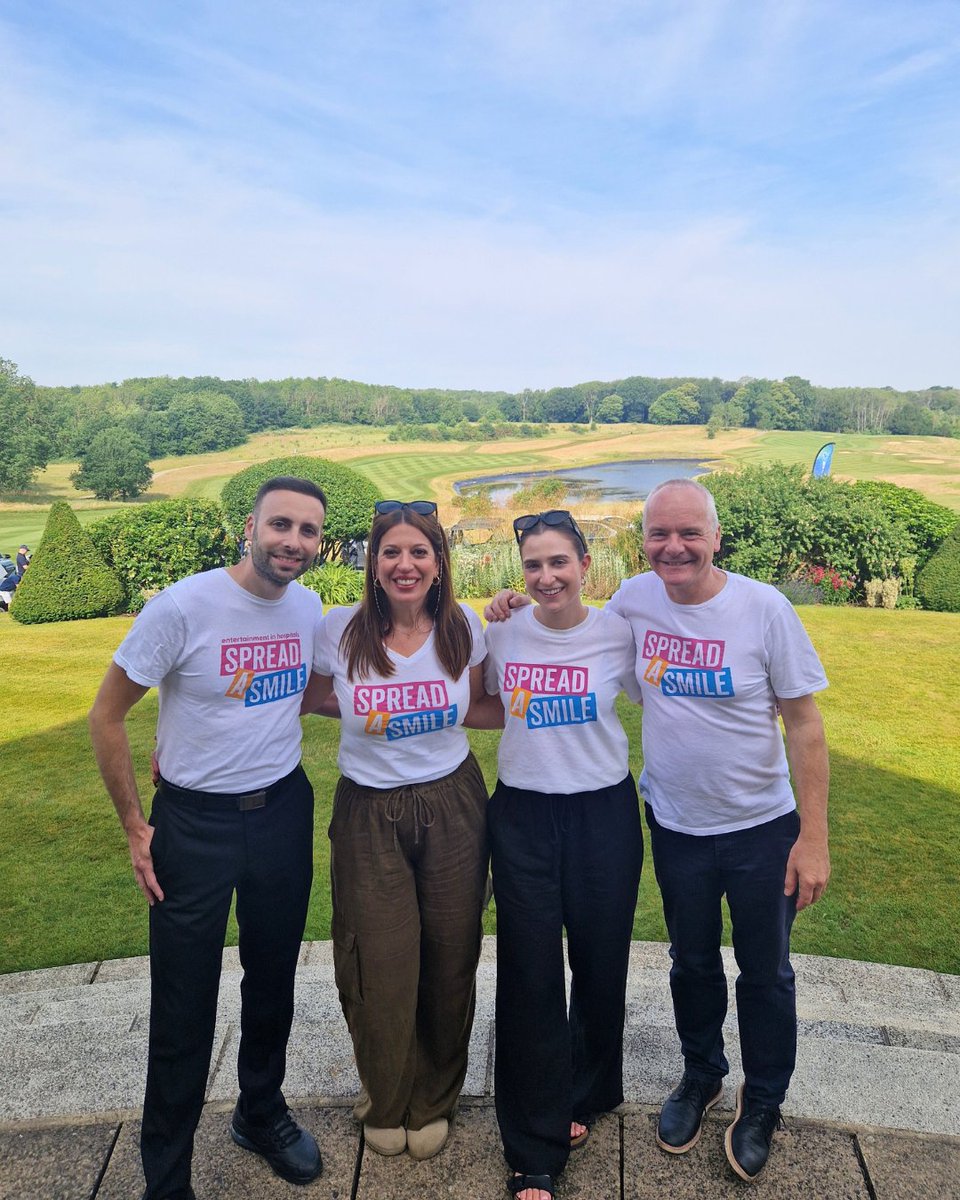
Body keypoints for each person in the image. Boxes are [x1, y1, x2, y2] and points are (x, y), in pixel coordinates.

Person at [487, 479, 830, 1184]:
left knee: (766, 972)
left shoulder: (763, 609)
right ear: (641, 542)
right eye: (659, 535)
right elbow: (565, 638)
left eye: (689, 533)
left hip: (761, 825)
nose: (674, 547)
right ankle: (700, 1075)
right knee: (692, 962)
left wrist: (814, 836)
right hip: (673, 820)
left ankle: (761, 1101)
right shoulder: (634, 604)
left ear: (715, 535)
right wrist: (516, 604)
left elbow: (805, 724)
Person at [88, 476, 329, 1200]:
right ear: (248, 527)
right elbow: (106, 716)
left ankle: (261, 1113)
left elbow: (306, 692)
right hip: (193, 825)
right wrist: (136, 826)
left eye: (308, 531)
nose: (292, 541)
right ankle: (167, 1176)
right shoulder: (183, 606)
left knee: (273, 979)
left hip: (282, 811)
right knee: (183, 1004)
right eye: (280, 524)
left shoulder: (310, 607)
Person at [304, 499, 491, 1162]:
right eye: (392, 552)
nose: (405, 564)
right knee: (377, 961)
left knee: (449, 956)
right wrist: (369, 715)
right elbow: (308, 696)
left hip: (454, 806)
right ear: (373, 565)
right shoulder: (339, 631)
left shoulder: (467, 627)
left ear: (439, 563)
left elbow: (485, 703)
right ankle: (386, 1098)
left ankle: (434, 1098)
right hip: (368, 813)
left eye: (419, 552)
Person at [483, 509, 643, 1200]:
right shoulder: (498, 631)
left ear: (585, 563)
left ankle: (584, 1091)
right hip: (523, 814)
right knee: (531, 975)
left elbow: (669, 701)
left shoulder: (619, 633)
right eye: (532, 566)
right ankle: (533, 1145)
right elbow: (468, 699)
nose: (546, 577)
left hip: (604, 812)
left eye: (558, 563)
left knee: (602, 965)